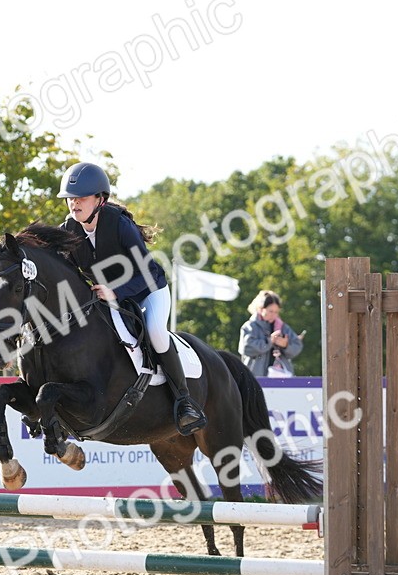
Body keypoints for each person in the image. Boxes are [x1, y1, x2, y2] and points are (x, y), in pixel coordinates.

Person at [57, 162, 206, 435]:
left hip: (147, 291)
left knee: (155, 331)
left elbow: (147, 272)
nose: (74, 203)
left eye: (81, 198)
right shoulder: (68, 230)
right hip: (107, 298)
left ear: (100, 199)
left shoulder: (120, 225)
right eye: (70, 198)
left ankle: (185, 402)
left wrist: (115, 292)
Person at [238, 290, 304, 378]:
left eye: (276, 312)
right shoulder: (250, 326)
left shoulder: (283, 327)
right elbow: (247, 348)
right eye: (270, 311)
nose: (274, 315)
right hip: (255, 378)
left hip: (281, 376)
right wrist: (269, 341)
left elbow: (297, 346)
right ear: (260, 309)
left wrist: (285, 345)